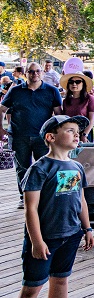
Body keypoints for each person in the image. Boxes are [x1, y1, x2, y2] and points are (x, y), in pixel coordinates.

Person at [0, 115, 94, 298]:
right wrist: (37, 241)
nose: (77, 135)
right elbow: (31, 209)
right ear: (51, 137)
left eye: (78, 131)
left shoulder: (77, 167)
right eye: (70, 131)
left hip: (71, 234)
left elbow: (81, 200)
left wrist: (87, 228)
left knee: (60, 280)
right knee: (31, 287)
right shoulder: (39, 168)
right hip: (44, 239)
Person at [0, 61, 63, 208]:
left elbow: (58, 114)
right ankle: (25, 197)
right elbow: (2, 109)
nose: (35, 74)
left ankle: (44, 196)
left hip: (43, 137)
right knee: (22, 168)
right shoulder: (15, 91)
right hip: (18, 135)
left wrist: (58, 134)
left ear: (42, 73)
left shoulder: (51, 91)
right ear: (25, 73)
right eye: (31, 71)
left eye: (37, 71)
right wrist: (0, 129)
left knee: (45, 166)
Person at [59, 72, 94, 139]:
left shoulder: (89, 98)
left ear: (83, 84)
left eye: (78, 82)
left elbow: (92, 119)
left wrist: (85, 134)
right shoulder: (66, 101)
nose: (74, 84)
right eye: (71, 82)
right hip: (69, 134)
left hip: (84, 133)